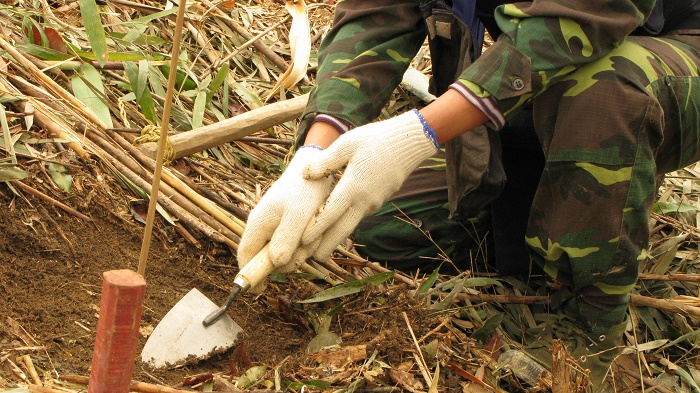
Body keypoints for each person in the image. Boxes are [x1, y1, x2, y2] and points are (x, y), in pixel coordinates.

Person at [237, 0, 700, 390]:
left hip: (670, 54)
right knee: (380, 228)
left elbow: (584, 15)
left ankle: (590, 332)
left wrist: (419, 133)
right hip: (555, 68)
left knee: (606, 88)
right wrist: (315, 159)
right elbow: (376, 14)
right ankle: (547, 219)